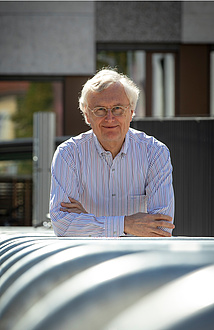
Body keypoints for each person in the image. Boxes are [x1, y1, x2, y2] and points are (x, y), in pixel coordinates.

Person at [50, 68, 175, 237]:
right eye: (100, 110)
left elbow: (161, 229)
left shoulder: (155, 153)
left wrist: (87, 220)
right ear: (87, 115)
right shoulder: (68, 154)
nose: (110, 118)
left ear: (131, 112)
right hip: (86, 260)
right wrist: (127, 224)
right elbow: (62, 225)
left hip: (141, 260)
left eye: (117, 109)